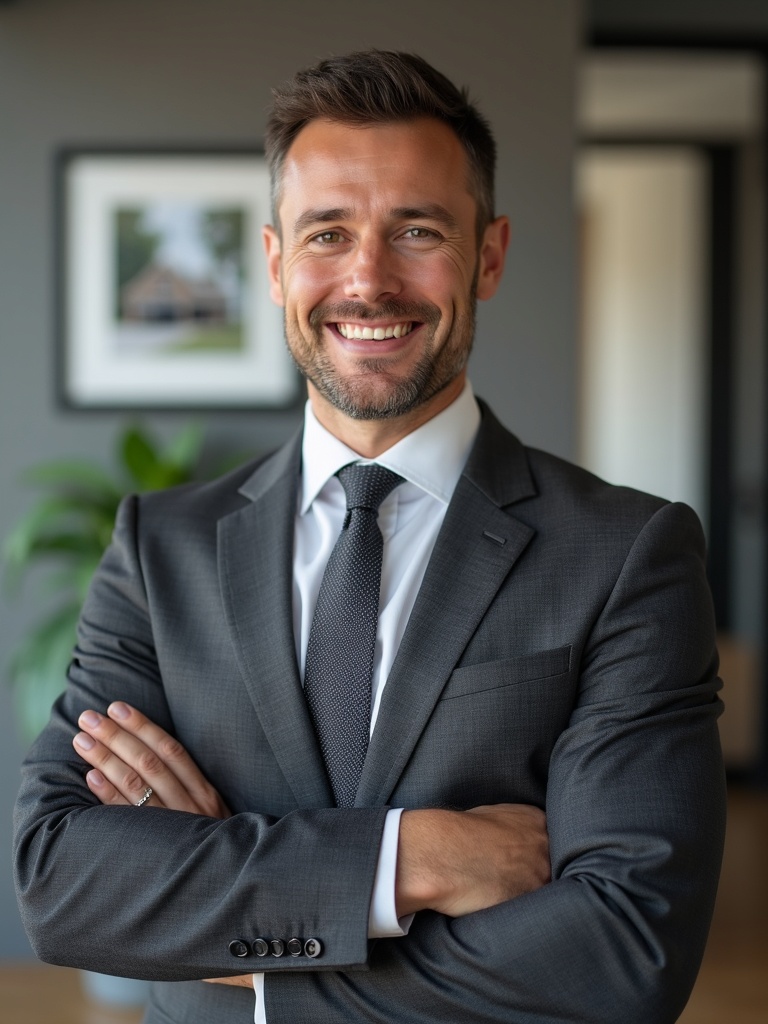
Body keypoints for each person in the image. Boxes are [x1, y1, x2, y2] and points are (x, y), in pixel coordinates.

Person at [14, 50, 725, 1024]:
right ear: (274, 263)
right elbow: (62, 880)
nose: (368, 279)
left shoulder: (628, 553)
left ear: (490, 253)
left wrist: (249, 955)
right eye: (328, 232)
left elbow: (625, 949)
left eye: (417, 230)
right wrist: (413, 859)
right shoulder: (158, 548)